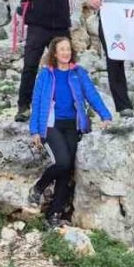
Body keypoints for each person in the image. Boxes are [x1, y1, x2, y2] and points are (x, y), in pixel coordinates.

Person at [27, 36, 112, 228]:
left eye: (68, 49)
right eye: (61, 49)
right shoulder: (45, 75)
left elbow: (92, 95)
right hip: (51, 125)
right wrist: (34, 131)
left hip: (73, 125)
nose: (65, 52)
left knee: (67, 170)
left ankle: (54, 213)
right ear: (54, 53)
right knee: (63, 162)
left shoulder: (78, 73)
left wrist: (105, 116)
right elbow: (37, 102)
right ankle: (40, 187)